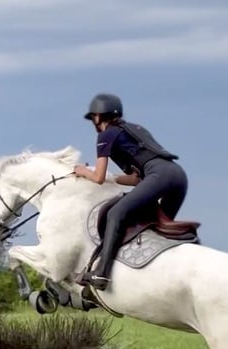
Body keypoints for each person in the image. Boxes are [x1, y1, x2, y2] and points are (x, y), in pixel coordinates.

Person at [73, 93, 188, 291]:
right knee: (156, 230)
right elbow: (137, 179)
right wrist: (113, 178)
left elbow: (98, 177)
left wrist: (83, 171)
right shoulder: (134, 129)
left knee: (116, 213)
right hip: (177, 176)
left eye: (93, 117)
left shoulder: (106, 134)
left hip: (158, 175)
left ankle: (101, 272)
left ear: (99, 116)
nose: (93, 121)